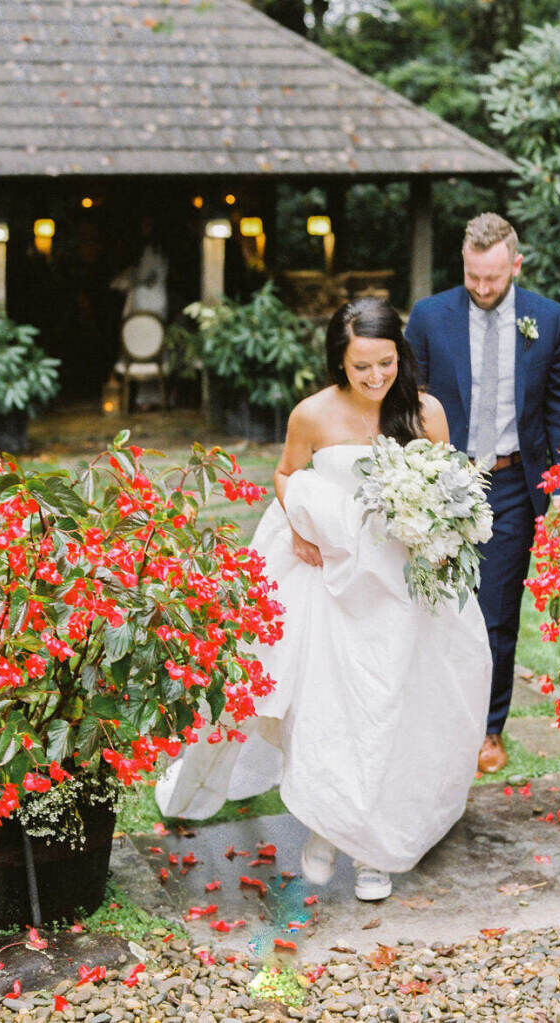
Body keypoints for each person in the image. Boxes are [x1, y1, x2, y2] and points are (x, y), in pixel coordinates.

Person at [156, 298, 492, 902]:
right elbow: (286, 474)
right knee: (331, 710)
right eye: (360, 367)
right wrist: (301, 524)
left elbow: (449, 485)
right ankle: (325, 825)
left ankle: (371, 853)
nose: (374, 379)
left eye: (385, 364)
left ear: (400, 356)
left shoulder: (425, 412)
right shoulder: (312, 414)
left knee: (394, 712)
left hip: (405, 589)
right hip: (331, 585)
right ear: (340, 361)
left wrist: (441, 535)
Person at [405, 213, 560, 775]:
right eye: (473, 277)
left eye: (494, 279)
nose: (482, 289)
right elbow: (410, 403)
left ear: (515, 265)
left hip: (508, 484)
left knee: (497, 614)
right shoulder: (430, 317)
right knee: (429, 605)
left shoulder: (546, 320)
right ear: (464, 263)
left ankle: (487, 729)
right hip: (441, 481)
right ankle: (431, 721)